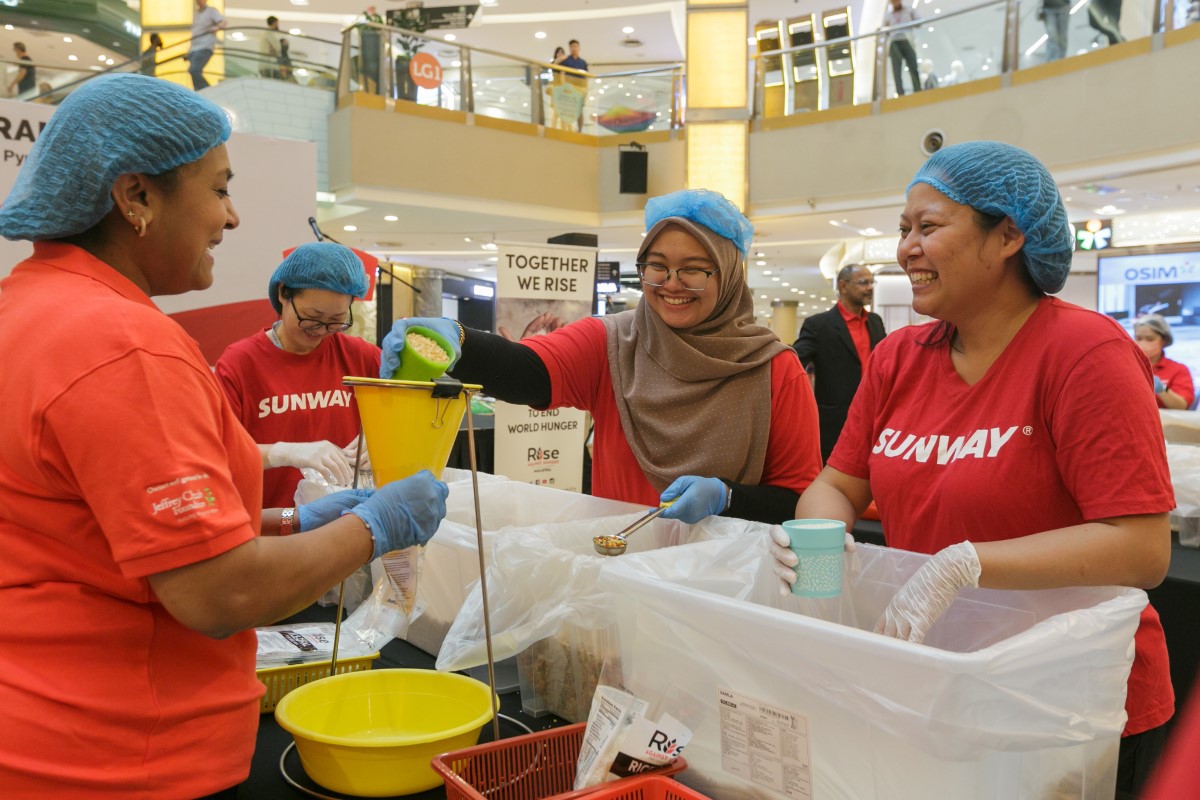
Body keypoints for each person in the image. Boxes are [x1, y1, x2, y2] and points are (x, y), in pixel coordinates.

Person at [0, 73, 447, 797]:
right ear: (136, 196)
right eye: (218, 189)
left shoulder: (29, 307)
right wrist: (377, 526)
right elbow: (219, 595)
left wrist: (290, 519)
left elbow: (102, 528)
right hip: (121, 756)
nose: (232, 218)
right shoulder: (124, 346)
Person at [772, 141, 1174, 798]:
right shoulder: (899, 357)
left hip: (1069, 700)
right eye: (903, 229)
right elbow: (837, 485)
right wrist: (817, 542)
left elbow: (1141, 545)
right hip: (943, 681)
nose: (905, 249)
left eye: (928, 226)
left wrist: (966, 563)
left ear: (1008, 234)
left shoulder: (1085, 352)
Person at [381, 189, 823, 525]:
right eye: (657, 265)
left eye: (693, 268)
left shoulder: (773, 370)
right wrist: (459, 339)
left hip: (724, 581)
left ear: (727, 276)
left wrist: (728, 497)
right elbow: (528, 370)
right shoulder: (614, 342)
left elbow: (798, 500)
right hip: (620, 565)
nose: (671, 283)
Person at [215, 242, 382, 508]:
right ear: (283, 293)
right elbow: (218, 454)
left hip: (349, 523)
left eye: (336, 320)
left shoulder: (360, 357)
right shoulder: (241, 363)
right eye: (312, 317)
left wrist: (384, 443)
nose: (320, 330)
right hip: (270, 530)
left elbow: (417, 416)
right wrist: (284, 452)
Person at [792, 264, 886, 463]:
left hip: (875, 414)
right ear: (843, 286)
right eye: (863, 282)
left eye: (871, 282)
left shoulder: (875, 321)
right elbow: (795, 363)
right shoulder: (818, 324)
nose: (870, 287)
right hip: (835, 422)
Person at [1134, 313, 1195, 410]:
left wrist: (1162, 388)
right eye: (1138, 338)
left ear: (1164, 341)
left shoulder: (1178, 370)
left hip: (1164, 423)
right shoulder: (1129, 367)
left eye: (1150, 339)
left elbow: (1182, 406)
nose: (1143, 343)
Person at [186, 0, 226, 90]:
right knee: (193, 72)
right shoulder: (196, 14)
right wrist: (188, 50)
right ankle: (200, 91)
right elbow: (195, 34)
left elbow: (223, 23)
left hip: (204, 47)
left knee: (193, 70)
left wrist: (216, 28)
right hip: (194, 49)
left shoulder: (211, 11)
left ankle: (207, 90)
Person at [883, 0, 921, 96]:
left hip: (907, 40)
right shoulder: (888, 16)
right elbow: (884, 31)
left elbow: (919, 22)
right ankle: (900, 94)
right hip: (894, 43)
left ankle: (918, 91)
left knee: (913, 66)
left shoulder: (909, 10)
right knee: (896, 70)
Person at [559, 39, 589, 131]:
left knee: (579, 109)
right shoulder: (566, 61)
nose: (574, 48)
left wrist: (586, 89)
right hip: (569, 89)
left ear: (579, 48)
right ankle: (568, 130)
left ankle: (580, 130)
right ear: (569, 48)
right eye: (572, 47)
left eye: (575, 46)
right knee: (568, 109)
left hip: (580, 89)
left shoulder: (583, 62)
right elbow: (559, 72)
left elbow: (586, 77)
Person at [359, 5, 384, 94]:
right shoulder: (365, 17)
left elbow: (381, 27)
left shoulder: (378, 17)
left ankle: (373, 90)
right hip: (368, 40)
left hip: (376, 41)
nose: (372, 11)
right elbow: (360, 26)